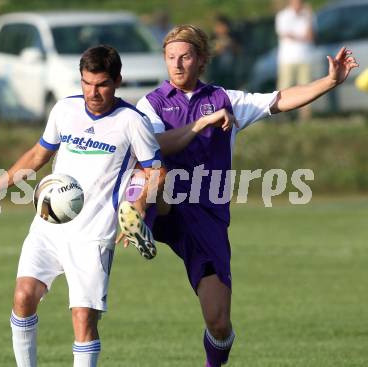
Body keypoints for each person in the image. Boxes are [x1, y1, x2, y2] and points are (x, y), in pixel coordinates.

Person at [132, 24, 358, 366]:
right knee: (148, 174)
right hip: (166, 205)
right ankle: (135, 218)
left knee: (218, 322)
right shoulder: (150, 105)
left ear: (202, 59)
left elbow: (279, 100)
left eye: (185, 56)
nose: (177, 64)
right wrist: (203, 123)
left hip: (205, 217)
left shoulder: (226, 100)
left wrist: (330, 82)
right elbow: (155, 144)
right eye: (170, 57)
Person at [0, 45, 166, 367]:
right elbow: (37, 157)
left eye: (102, 84)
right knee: (23, 297)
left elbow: (156, 171)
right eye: (86, 83)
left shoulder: (131, 121)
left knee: (83, 321)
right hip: (49, 224)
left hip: (93, 234)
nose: (93, 92)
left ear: (118, 81)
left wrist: (138, 206)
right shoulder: (65, 110)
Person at [275, 0, 316, 120]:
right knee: (284, 89)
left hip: (305, 57)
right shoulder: (283, 15)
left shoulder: (309, 15)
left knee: (307, 89)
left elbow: (311, 36)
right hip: (287, 59)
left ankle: (305, 118)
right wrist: (302, 37)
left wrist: (308, 18)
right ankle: (281, 117)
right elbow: (286, 34)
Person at [207, 14, 239, 89]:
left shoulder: (233, 36)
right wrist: (217, 50)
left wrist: (231, 45)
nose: (220, 29)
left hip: (231, 73)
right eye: (218, 26)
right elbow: (208, 53)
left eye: (222, 26)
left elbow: (240, 51)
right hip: (216, 73)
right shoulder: (212, 38)